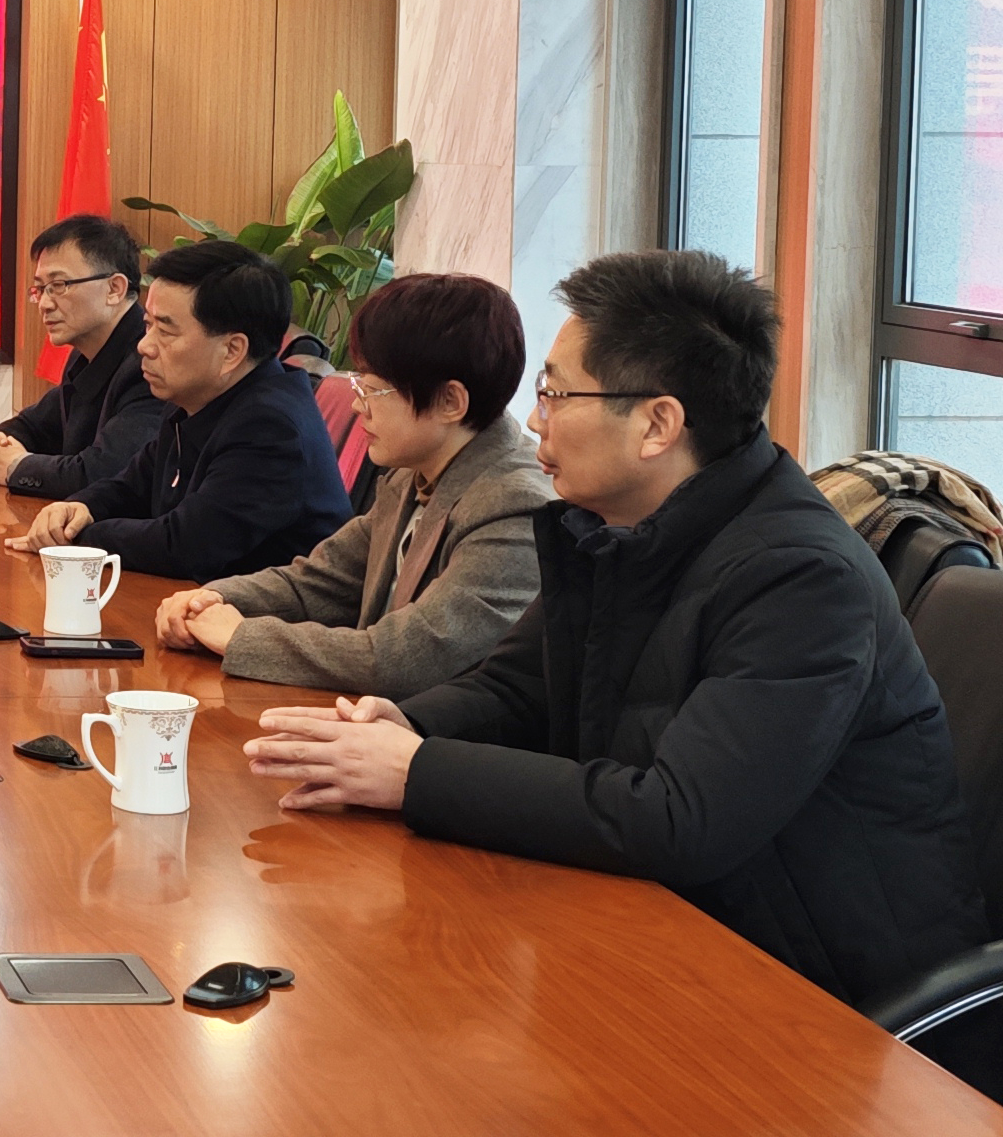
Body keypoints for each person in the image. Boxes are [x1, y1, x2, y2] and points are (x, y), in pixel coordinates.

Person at [245, 251, 984, 1007]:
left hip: (822, 988)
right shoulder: (617, 523)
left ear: (657, 424)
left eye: (556, 394)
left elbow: (679, 819)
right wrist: (404, 724)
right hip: (661, 933)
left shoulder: (801, 578)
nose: (536, 420)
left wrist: (416, 772)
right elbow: (517, 687)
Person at [155, 272, 551, 697]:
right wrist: (211, 599)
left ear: (450, 402)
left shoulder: (515, 505)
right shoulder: (413, 471)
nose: (359, 405)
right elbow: (318, 583)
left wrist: (239, 637)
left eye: (374, 390)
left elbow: (404, 659)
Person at [12, 239, 350, 582]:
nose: (144, 346)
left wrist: (77, 539)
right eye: (148, 325)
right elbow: (132, 485)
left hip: (258, 612)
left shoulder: (271, 428)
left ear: (232, 350)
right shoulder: (196, 397)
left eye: (165, 331)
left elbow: (185, 546)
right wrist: (80, 507)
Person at [0, 214, 167, 498]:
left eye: (59, 285)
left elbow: (103, 474)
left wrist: (13, 467)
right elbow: (30, 427)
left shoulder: (150, 364)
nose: (45, 304)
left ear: (114, 289)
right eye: (40, 289)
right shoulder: (83, 355)